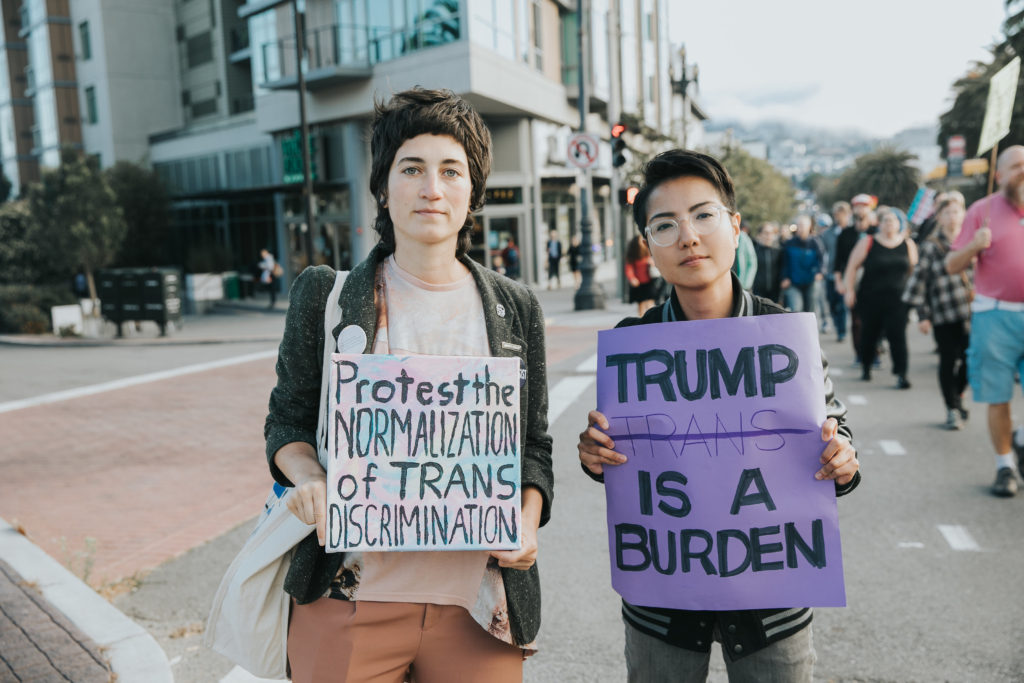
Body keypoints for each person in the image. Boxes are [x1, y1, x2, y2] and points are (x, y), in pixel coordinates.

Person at [264, 88, 554, 681]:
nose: (431, 189)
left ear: (471, 190)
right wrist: (309, 478)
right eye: (412, 168)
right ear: (383, 185)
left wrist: (526, 518)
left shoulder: (515, 308)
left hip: (479, 606)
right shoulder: (326, 295)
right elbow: (287, 423)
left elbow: (535, 448)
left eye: (451, 171)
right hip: (348, 599)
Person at [577, 149, 860, 682]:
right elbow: (619, 452)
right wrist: (594, 454)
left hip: (773, 605)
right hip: (662, 608)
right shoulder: (632, 346)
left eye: (704, 216)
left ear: (734, 227)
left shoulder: (787, 335)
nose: (688, 236)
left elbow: (834, 428)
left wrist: (842, 456)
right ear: (648, 246)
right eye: (666, 225)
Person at [946, 144, 1024, 498]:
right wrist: (974, 246)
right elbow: (952, 265)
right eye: (1016, 166)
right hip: (994, 316)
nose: (1023, 171)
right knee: (998, 397)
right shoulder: (982, 210)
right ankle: (1005, 465)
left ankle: (1019, 438)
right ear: (1000, 175)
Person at [902, 192, 972, 429]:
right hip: (943, 312)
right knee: (948, 360)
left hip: (972, 312)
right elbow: (919, 281)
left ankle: (957, 395)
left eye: (957, 211)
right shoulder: (931, 246)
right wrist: (923, 315)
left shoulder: (973, 240)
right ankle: (951, 407)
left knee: (972, 359)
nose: (953, 217)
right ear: (939, 217)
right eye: (947, 212)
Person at [843, 207, 918, 388]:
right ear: (880, 224)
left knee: (897, 336)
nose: (889, 224)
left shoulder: (907, 244)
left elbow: (914, 270)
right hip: (871, 298)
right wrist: (849, 290)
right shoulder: (868, 242)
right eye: (886, 221)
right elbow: (852, 266)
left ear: (899, 225)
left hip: (898, 300)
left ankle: (902, 373)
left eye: (893, 221)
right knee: (869, 333)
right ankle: (866, 366)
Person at [834, 195, 877, 362]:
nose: (861, 210)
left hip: (874, 281)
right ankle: (860, 353)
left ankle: (874, 352)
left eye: (864, 206)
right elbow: (838, 261)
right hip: (853, 280)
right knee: (857, 320)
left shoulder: (875, 232)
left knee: (874, 319)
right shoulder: (846, 234)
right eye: (857, 207)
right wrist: (839, 281)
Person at [779, 214, 826, 314]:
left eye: (803, 225)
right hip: (793, 283)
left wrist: (820, 272)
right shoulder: (789, 243)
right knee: (796, 310)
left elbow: (821, 260)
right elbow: (784, 262)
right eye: (799, 225)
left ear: (809, 227)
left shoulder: (815, 243)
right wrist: (784, 277)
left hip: (810, 281)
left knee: (811, 310)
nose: (801, 228)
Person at [624, 233, 657, 316]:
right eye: (640, 241)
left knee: (650, 302)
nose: (642, 242)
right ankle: (642, 321)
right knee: (641, 304)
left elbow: (655, 264)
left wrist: (652, 263)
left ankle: (652, 320)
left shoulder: (647, 253)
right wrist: (632, 278)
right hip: (639, 284)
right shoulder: (632, 257)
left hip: (649, 281)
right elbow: (629, 269)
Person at [751, 221, 782, 303]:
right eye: (766, 233)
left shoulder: (778, 251)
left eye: (771, 233)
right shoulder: (753, 251)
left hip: (775, 292)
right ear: (760, 235)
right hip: (758, 293)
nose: (769, 236)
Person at [731, 220, 757, 290]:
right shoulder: (744, 238)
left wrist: (746, 284)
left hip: (741, 283)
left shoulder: (744, 238)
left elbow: (752, 263)